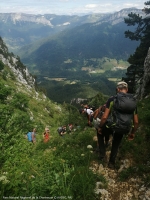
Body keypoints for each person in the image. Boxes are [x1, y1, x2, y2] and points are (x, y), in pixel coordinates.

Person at [98, 81, 138, 168]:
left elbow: (104, 117)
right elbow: (136, 121)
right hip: (123, 128)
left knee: (99, 133)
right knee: (116, 143)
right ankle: (111, 163)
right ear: (126, 89)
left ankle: (102, 154)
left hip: (111, 126)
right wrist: (132, 133)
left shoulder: (112, 99)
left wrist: (100, 127)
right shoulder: (133, 101)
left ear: (117, 89)